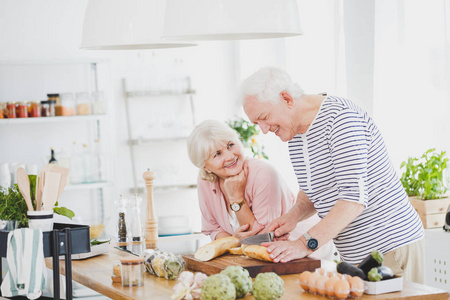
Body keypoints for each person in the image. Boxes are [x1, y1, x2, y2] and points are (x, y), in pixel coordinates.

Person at [239, 66, 425, 283]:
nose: (263, 129)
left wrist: (302, 245)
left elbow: (353, 200)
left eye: (264, 117)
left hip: (390, 247)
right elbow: (315, 191)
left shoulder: (341, 120)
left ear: (287, 98)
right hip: (357, 257)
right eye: (256, 123)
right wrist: (292, 217)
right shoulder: (296, 133)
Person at [187, 120, 336, 260]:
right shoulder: (206, 181)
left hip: (306, 252)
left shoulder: (263, 173)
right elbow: (213, 228)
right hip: (260, 257)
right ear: (205, 167)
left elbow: (262, 239)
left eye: (230, 145)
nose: (230, 156)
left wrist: (236, 198)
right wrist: (234, 241)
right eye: (217, 154)